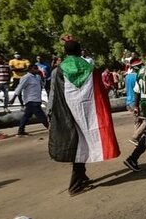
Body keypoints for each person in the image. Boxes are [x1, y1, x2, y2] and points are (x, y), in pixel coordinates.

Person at [48, 38, 120, 195]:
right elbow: (100, 93)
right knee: (81, 147)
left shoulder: (59, 70)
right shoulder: (90, 68)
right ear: (80, 51)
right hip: (87, 114)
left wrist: (52, 113)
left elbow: (54, 94)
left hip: (68, 113)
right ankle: (74, 186)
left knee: (79, 144)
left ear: (65, 52)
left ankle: (82, 176)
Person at [9, 64, 49, 136]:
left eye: (37, 68)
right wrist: (13, 98)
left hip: (37, 99)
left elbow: (42, 85)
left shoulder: (37, 77)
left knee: (26, 115)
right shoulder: (26, 77)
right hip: (31, 100)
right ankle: (50, 128)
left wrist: (43, 77)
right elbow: (19, 87)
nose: (37, 70)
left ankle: (21, 130)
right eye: (35, 68)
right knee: (41, 115)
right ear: (30, 69)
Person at [125, 58, 145, 146]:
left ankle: (137, 138)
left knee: (137, 120)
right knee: (145, 120)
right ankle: (135, 137)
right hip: (136, 101)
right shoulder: (138, 76)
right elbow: (138, 91)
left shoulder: (127, 77)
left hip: (129, 101)